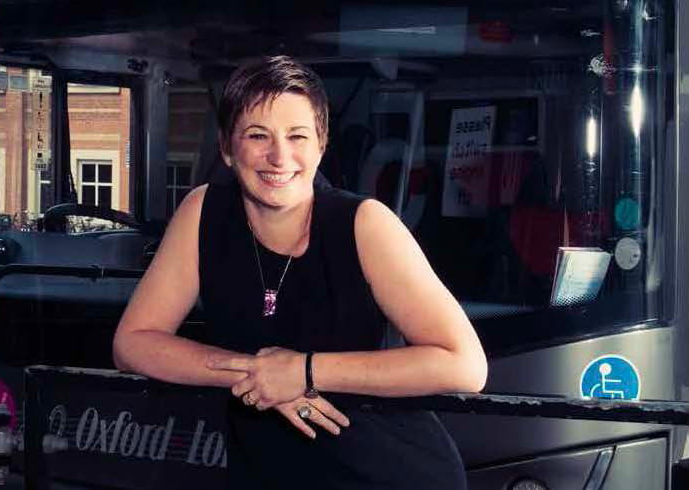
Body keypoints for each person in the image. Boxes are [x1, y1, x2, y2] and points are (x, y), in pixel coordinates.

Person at [113, 55, 487, 489]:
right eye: (258, 135)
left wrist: (306, 371)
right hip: (268, 472)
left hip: (387, 473)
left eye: (297, 136)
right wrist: (257, 374)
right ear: (227, 149)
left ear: (321, 145)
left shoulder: (366, 223)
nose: (279, 156)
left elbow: (464, 365)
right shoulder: (203, 212)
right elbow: (132, 344)